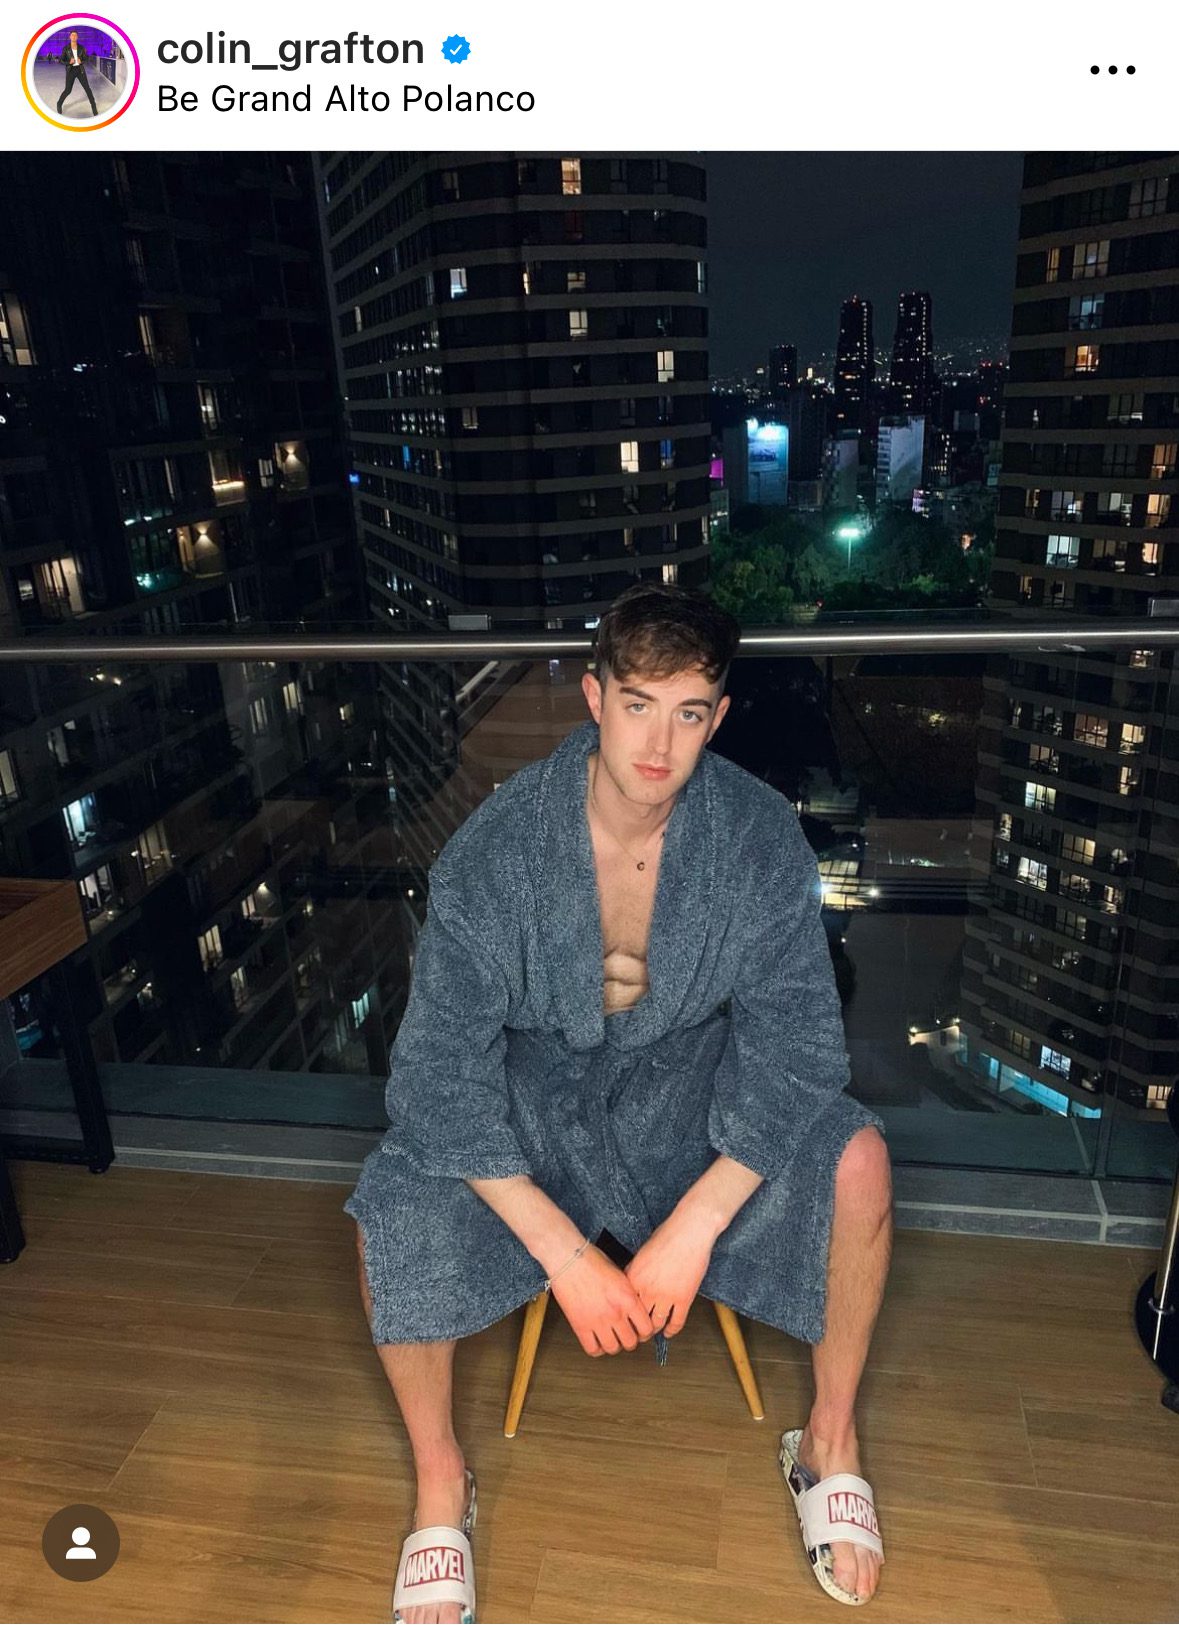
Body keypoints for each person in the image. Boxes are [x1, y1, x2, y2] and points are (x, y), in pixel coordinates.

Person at [345, 583, 893, 1621]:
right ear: (595, 697)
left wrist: (697, 1222)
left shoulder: (756, 836)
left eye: (687, 712)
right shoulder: (497, 849)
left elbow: (798, 1046)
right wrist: (563, 1253)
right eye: (638, 703)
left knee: (856, 1157)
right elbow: (435, 1075)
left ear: (717, 717)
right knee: (396, 1201)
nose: (659, 742)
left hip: (692, 1090)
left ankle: (829, 1439)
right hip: (535, 1096)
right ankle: (440, 1481)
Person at [56, 32, 98, 118]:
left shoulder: (81, 48)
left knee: (87, 89)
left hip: (80, 70)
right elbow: (61, 60)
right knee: (68, 90)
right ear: (70, 37)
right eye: (72, 35)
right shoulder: (66, 48)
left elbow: (86, 58)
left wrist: (81, 61)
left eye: (75, 35)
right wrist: (69, 62)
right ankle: (59, 103)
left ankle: (93, 107)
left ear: (77, 37)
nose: (74, 36)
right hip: (70, 70)